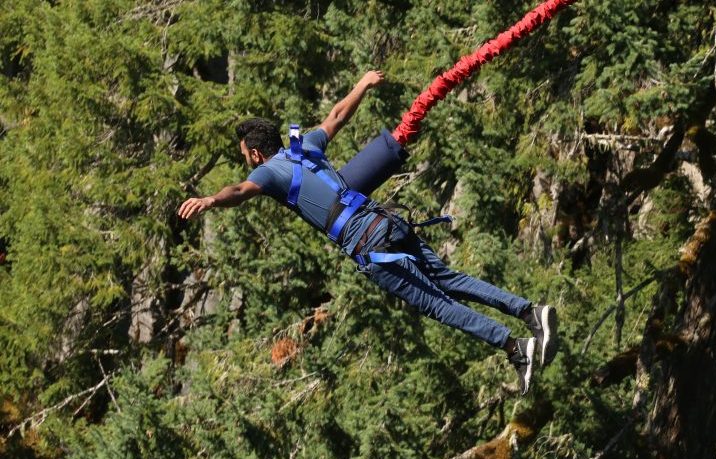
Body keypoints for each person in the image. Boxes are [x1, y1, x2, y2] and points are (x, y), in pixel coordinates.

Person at [178, 70, 558, 395]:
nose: (247, 163)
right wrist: (362, 84)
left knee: (437, 304)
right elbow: (337, 116)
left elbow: (240, 192)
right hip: (385, 220)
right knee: (448, 279)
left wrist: (211, 200)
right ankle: (529, 312)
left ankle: (515, 348)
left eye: (245, 156)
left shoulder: (267, 172)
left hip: (366, 241)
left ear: (256, 155)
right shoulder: (304, 146)